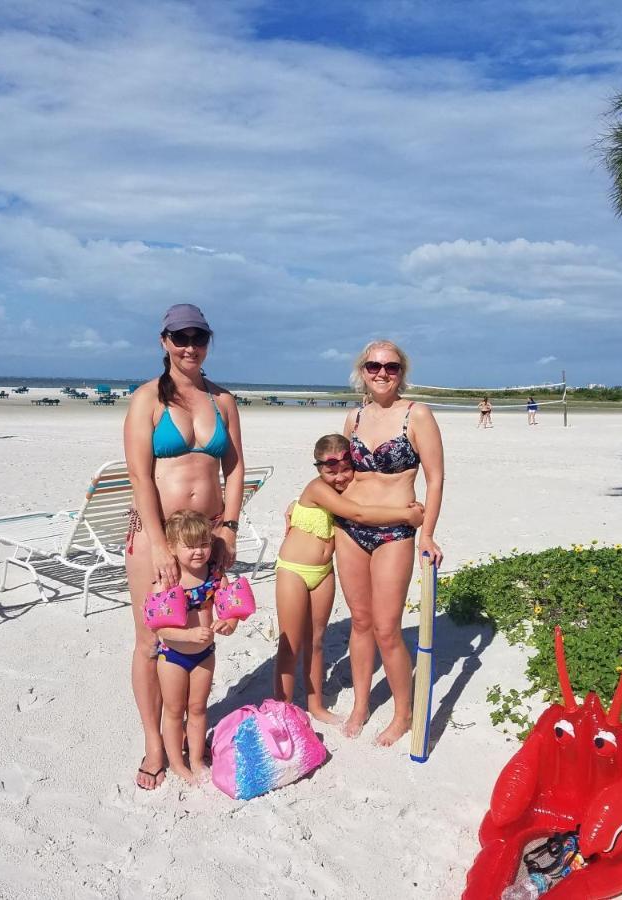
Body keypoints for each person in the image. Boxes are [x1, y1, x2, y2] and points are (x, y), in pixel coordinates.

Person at [123, 303, 245, 790]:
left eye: (198, 337)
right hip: (156, 533)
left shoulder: (223, 401)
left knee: (200, 631)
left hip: (207, 534)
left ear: (208, 341)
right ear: (164, 342)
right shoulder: (147, 399)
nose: (189, 346)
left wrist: (231, 527)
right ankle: (155, 744)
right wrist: (157, 543)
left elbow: (234, 469)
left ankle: (188, 728)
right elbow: (138, 474)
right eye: (180, 337)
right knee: (151, 639)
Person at [335, 340, 444, 745]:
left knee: (386, 628)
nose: (382, 373)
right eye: (373, 366)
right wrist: (308, 505)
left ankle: (403, 712)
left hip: (395, 532)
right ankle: (361, 703)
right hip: (350, 527)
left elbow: (435, 478)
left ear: (402, 372)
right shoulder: (354, 417)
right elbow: (340, 476)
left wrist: (427, 533)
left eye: (391, 367)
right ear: (361, 370)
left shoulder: (417, 415)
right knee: (360, 622)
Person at [274, 434, 424, 725]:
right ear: (318, 468)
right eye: (331, 471)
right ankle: (281, 711)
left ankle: (315, 705)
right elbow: (359, 513)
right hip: (294, 569)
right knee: (290, 644)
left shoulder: (346, 489)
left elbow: (368, 500)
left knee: (316, 641)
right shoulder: (318, 488)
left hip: (322, 572)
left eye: (346, 469)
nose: (340, 477)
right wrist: (406, 515)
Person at [150, 510, 238, 785]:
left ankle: (197, 759)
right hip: (173, 656)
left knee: (198, 708)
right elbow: (157, 626)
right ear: (173, 548)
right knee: (175, 710)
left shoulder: (215, 575)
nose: (199, 552)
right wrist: (187, 635)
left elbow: (231, 609)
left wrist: (229, 623)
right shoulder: (167, 582)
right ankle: (176, 762)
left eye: (204, 544)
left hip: (204, 656)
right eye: (190, 546)